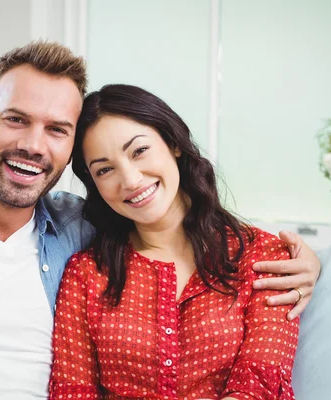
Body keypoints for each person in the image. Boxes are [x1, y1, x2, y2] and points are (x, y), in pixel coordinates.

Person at [0, 42, 317, 400]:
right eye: (16, 119)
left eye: (56, 129)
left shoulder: (86, 228)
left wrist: (311, 263)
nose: (33, 144)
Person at [49, 84, 301, 399]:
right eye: (105, 169)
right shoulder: (85, 274)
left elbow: (259, 387)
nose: (130, 180)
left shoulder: (265, 256)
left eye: (139, 151)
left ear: (173, 143)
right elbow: (73, 390)